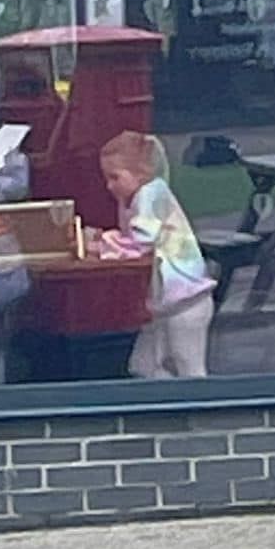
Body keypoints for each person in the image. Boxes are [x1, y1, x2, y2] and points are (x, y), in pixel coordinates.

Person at [98, 132, 214, 379]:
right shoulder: (137, 198)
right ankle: (173, 409)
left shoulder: (152, 194)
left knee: (190, 369)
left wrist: (103, 243)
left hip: (186, 301)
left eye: (115, 177)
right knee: (144, 366)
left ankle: (201, 411)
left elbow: (141, 243)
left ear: (141, 173)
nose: (109, 186)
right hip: (166, 304)